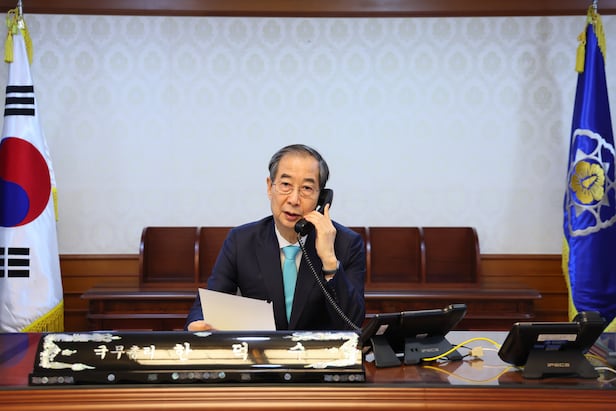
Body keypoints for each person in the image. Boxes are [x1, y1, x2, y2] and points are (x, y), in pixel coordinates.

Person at [185, 144, 366, 331]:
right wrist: (198, 324)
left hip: (320, 350)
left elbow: (352, 323)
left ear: (321, 198)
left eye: (307, 188)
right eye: (286, 185)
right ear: (269, 187)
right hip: (261, 348)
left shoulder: (347, 244)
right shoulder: (241, 241)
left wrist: (329, 261)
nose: (294, 200)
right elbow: (207, 305)